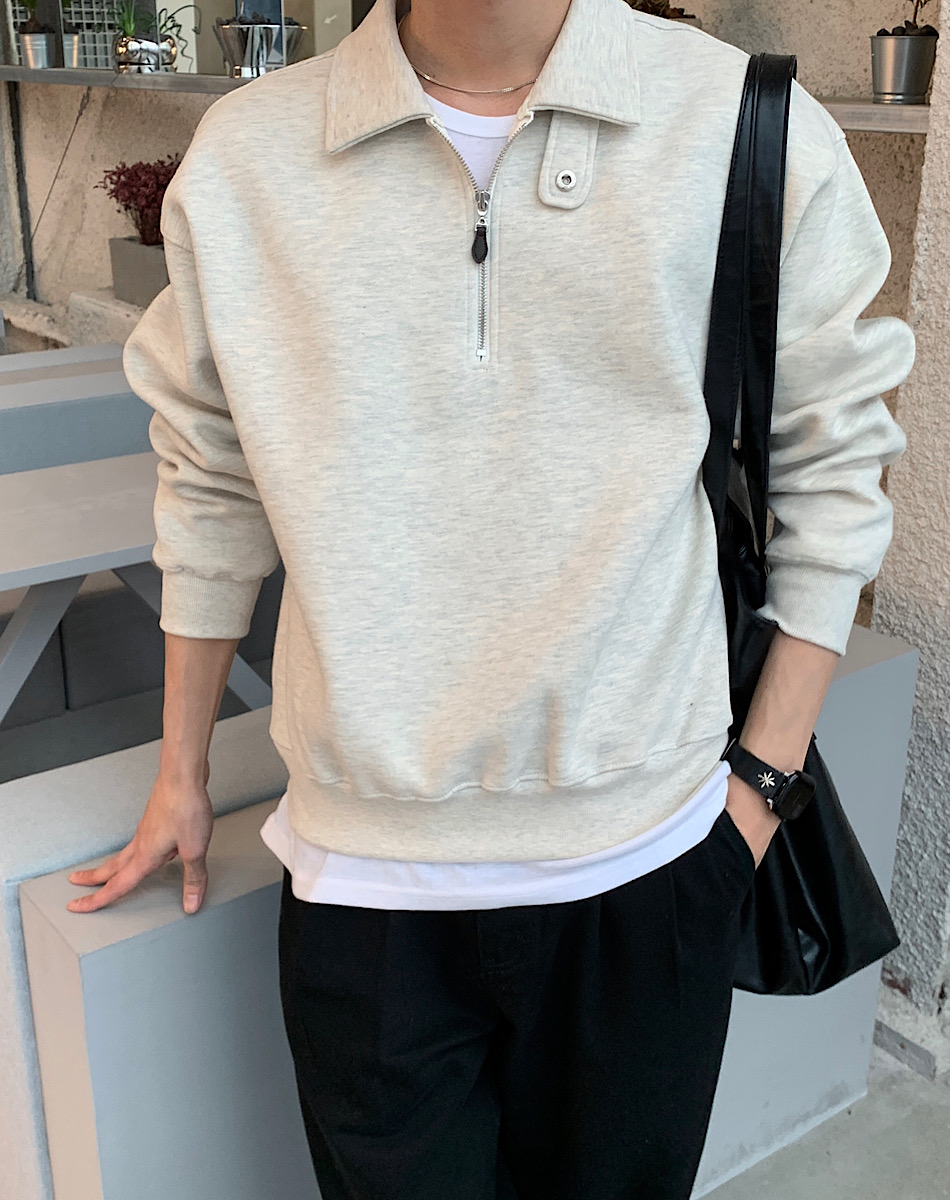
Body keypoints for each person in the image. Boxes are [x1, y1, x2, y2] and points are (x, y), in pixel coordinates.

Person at [65, 0, 916, 1195]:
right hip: (363, 881)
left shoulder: (737, 120)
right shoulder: (251, 155)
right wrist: (180, 771)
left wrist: (758, 794)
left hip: (653, 862)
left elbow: (834, 470)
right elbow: (211, 477)